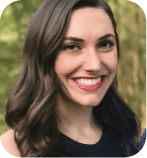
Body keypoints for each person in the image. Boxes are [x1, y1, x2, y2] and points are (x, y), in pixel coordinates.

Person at [0, 0, 142, 157]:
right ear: (43, 55)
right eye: (72, 47)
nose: (94, 65)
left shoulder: (127, 136)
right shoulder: (13, 148)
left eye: (105, 44)